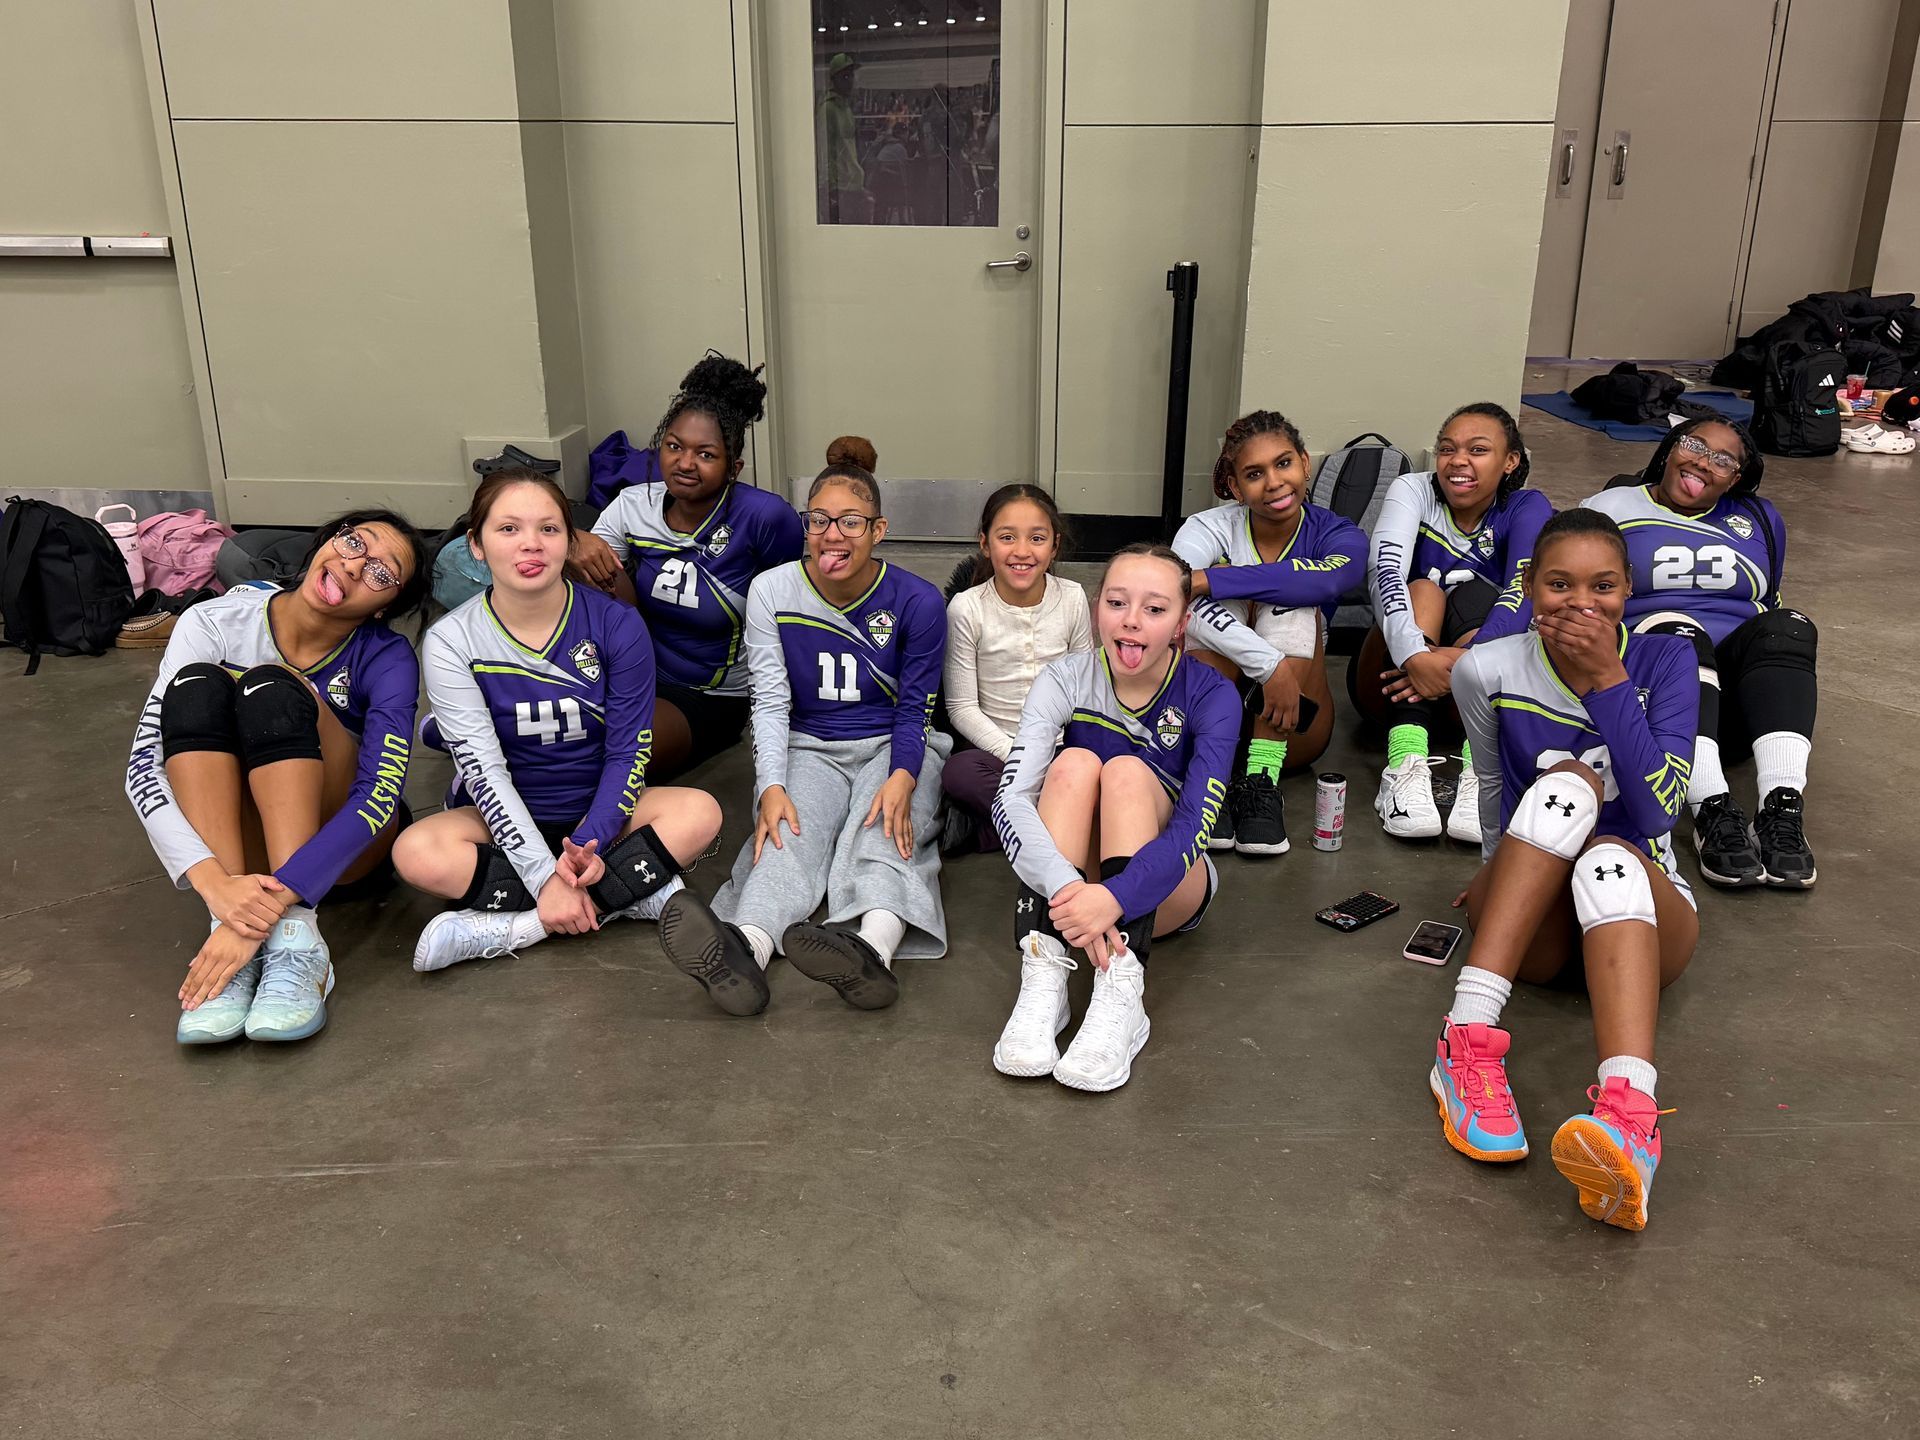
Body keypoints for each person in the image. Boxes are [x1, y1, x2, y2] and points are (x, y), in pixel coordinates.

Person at [1437, 508, 1698, 1232]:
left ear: (1629, 591)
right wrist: (1497, 878)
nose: (1581, 604)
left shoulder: (1665, 662)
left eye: (1603, 587)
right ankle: (1466, 1040)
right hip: (1542, 925)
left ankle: (1630, 1117)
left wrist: (1609, 681)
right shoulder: (1487, 667)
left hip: (1639, 920)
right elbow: (1492, 787)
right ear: (1528, 587)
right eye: (1559, 584)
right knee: (1568, 787)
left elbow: (1659, 815)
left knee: (1612, 853)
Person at [393, 469, 727, 978]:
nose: (530, 543)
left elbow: (629, 751)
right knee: (416, 853)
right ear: (476, 545)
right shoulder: (451, 640)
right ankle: (626, 895)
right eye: (508, 529)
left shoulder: (616, 623)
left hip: (601, 814)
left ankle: (519, 927)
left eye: (548, 529)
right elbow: (485, 774)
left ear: (570, 543)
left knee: (700, 813)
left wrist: (589, 842)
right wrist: (544, 874)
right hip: (501, 819)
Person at [125, 510, 429, 1045]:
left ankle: (297, 938)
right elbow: (143, 767)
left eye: (383, 573)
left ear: (386, 606)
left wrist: (284, 898)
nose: (354, 566)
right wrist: (216, 890)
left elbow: (381, 793)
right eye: (354, 542)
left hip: (344, 856)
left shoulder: (387, 655)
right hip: (239, 854)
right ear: (326, 539)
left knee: (271, 686)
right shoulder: (213, 620)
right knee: (194, 687)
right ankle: (230, 931)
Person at [658, 461, 949, 1015]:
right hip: (808, 744)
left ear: (878, 530)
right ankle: (745, 949)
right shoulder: (772, 590)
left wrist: (903, 776)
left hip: (893, 745)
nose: (833, 534)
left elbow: (915, 708)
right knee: (784, 835)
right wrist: (771, 785)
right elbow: (770, 700)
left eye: (851, 521)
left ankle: (872, 952)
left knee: (886, 833)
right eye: (819, 520)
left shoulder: (918, 601)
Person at [989, 544, 1237, 1093]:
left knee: (1125, 771)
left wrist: (1117, 895)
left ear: (1181, 623)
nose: (1131, 621)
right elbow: (1010, 799)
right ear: (1096, 606)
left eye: (1155, 609)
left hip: (1165, 887)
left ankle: (1122, 992)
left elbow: (1195, 827)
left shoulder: (1213, 693)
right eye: (1118, 602)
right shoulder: (1064, 677)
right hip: (1073, 895)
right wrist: (1069, 886)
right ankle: (1043, 978)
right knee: (1072, 763)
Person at [1576, 418, 1816, 888]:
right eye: (1694, 445)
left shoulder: (1761, 519)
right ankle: (1712, 808)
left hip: (1733, 710)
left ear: (1737, 478)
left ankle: (1782, 810)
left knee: (1788, 625)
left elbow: (1769, 599)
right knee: (1679, 633)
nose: (1704, 463)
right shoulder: (1610, 508)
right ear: (1670, 448)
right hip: (1651, 698)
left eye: (1723, 460)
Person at [574, 356, 804, 781]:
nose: (684, 463)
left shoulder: (764, 518)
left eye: (706, 454)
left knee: (612, 757)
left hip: (708, 695)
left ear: (733, 468)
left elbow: (796, 616)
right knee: (583, 567)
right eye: (674, 446)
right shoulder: (634, 505)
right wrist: (575, 540)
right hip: (631, 668)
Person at [1174, 410, 1363, 855]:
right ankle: (1211, 778)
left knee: (1294, 609)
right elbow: (1171, 596)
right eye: (1254, 474)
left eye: (1284, 463)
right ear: (1236, 487)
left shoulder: (1337, 532)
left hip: (1294, 720)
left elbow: (1332, 580)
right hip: (1211, 716)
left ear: (1305, 462)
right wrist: (1269, 665)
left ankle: (1262, 782)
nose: (1274, 482)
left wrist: (1214, 578)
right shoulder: (1207, 527)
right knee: (1201, 609)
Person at [1364, 403, 1550, 844]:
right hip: (1393, 682)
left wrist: (1465, 664)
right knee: (1422, 589)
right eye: (1447, 449)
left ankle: (1479, 772)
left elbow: (1524, 591)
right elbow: (1384, 571)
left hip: (1477, 693)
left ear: (1510, 461)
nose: (1458, 461)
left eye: (1478, 450)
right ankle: (1404, 763)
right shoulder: (1413, 489)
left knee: (1481, 597)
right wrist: (1414, 655)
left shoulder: (1527, 506)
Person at [940, 484, 1091, 855]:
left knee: (1105, 768)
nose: (1022, 551)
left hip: (1061, 748)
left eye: (1037, 538)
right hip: (996, 752)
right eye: (1007, 537)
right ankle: (1058, 821)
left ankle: (995, 831)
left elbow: (1085, 688)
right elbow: (961, 708)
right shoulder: (967, 608)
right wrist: (1019, 758)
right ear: (985, 543)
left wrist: (1061, 758)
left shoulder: (1072, 598)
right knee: (958, 773)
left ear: (1054, 546)